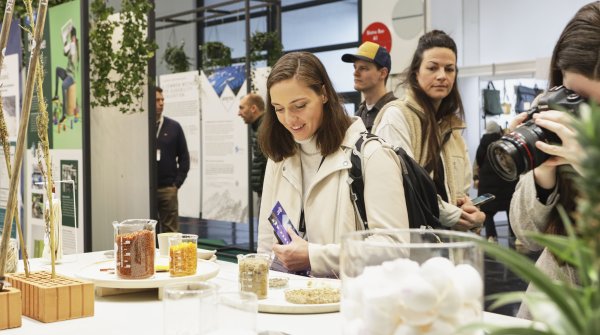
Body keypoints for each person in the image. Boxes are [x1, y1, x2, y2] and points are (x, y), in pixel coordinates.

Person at [257, 52, 409, 277]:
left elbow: (395, 249)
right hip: (289, 303)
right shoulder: (279, 156)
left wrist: (314, 256)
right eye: (279, 109)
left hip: (348, 305)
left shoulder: (372, 155)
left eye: (299, 106)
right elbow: (266, 244)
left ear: (324, 94)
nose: (289, 119)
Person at [510, 1, 600, 320]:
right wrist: (543, 176)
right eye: (575, 97)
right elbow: (526, 235)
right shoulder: (552, 113)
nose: (581, 113)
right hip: (550, 304)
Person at [372, 30, 485, 231]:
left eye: (449, 69)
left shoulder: (453, 127)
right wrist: (454, 215)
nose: (442, 76)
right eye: (432, 68)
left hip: (448, 246)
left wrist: (470, 211)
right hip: (412, 245)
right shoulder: (397, 117)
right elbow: (404, 185)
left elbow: (460, 192)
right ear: (416, 73)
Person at [474, 121, 517, 243]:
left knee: (487, 212)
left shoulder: (482, 145)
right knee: (510, 209)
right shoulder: (504, 143)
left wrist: (476, 178)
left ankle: (491, 236)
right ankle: (515, 236)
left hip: (487, 185)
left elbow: (478, 162)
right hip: (505, 183)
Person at [156, 86, 190, 233]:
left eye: (162, 100)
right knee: (145, 232)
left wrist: (176, 184)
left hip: (167, 189)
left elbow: (184, 157)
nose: (161, 103)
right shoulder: (142, 127)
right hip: (144, 190)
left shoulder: (174, 127)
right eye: (157, 100)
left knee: (170, 232)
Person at [341, 41, 396, 133]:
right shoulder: (358, 116)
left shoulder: (396, 111)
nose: (355, 73)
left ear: (383, 73)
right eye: (355, 67)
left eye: (363, 68)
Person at [238, 93, 268, 201]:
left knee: (274, 218)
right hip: (265, 192)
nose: (239, 113)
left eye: (242, 108)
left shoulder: (266, 129)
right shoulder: (258, 127)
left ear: (253, 108)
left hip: (270, 194)